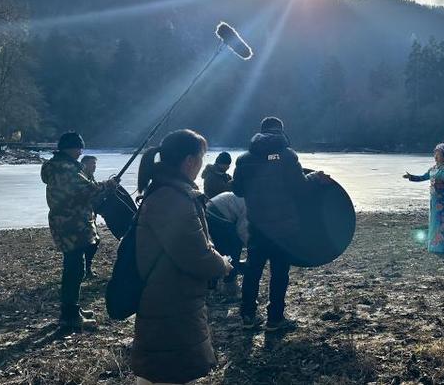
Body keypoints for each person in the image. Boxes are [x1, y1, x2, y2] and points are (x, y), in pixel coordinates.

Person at [132, 129, 232, 385]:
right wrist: (223, 264)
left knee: (159, 370)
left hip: (168, 294)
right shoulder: (173, 198)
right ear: (189, 161)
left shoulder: (166, 191)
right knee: (170, 371)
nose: (201, 164)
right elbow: (196, 255)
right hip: (172, 298)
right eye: (201, 157)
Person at [232, 116, 329, 332]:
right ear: (281, 132)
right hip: (284, 229)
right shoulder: (286, 156)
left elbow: (237, 190)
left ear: (261, 132)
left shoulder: (244, 159)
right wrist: (314, 178)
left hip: (257, 226)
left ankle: (247, 315)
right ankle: (274, 319)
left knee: (252, 270)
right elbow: (300, 189)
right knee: (279, 273)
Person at [41, 132, 117, 331]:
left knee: (75, 267)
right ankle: (70, 316)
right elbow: (87, 191)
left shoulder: (58, 166)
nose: (81, 151)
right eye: (79, 147)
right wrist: (107, 185)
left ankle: (72, 309)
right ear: (71, 148)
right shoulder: (66, 169)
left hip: (68, 223)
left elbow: (83, 191)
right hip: (72, 225)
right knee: (74, 269)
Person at [403, 141, 444, 253]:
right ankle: (435, 245)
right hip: (434, 198)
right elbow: (423, 177)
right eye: (435, 154)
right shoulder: (432, 169)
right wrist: (411, 177)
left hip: (443, 198)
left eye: (438, 154)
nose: (435, 156)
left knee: (443, 220)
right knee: (434, 220)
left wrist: (436, 181)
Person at [205, 190, 249, 291]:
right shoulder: (250, 205)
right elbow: (242, 230)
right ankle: (229, 283)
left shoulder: (249, 197)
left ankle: (214, 280)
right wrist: (251, 247)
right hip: (216, 213)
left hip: (212, 208)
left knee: (221, 250)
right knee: (233, 247)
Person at [80, 155, 100, 279]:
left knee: (95, 241)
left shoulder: (91, 177)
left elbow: (95, 194)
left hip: (90, 215)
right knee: (87, 243)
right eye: (92, 163)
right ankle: (84, 270)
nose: (94, 166)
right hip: (80, 217)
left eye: (95, 164)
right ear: (84, 164)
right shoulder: (80, 177)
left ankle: (87, 268)